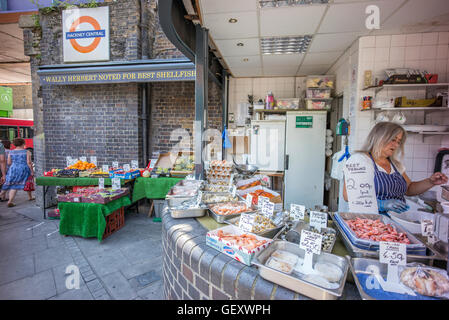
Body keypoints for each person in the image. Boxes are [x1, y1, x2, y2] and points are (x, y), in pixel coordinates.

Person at [343, 122, 448, 214]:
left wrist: (430, 182)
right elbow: (348, 196)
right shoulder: (360, 160)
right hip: (367, 221)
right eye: (393, 140)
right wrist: (382, 204)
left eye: (398, 141)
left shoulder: (395, 165)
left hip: (394, 221)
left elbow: (409, 188)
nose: (396, 145)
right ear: (379, 138)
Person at [0, 138, 34, 207]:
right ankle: (10, 201)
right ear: (23, 144)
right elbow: (29, 162)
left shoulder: (11, 152)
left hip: (13, 169)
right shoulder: (26, 152)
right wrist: (32, 171)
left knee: (12, 184)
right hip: (23, 169)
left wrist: (14, 165)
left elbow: (9, 163)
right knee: (22, 183)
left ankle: (9, 200)